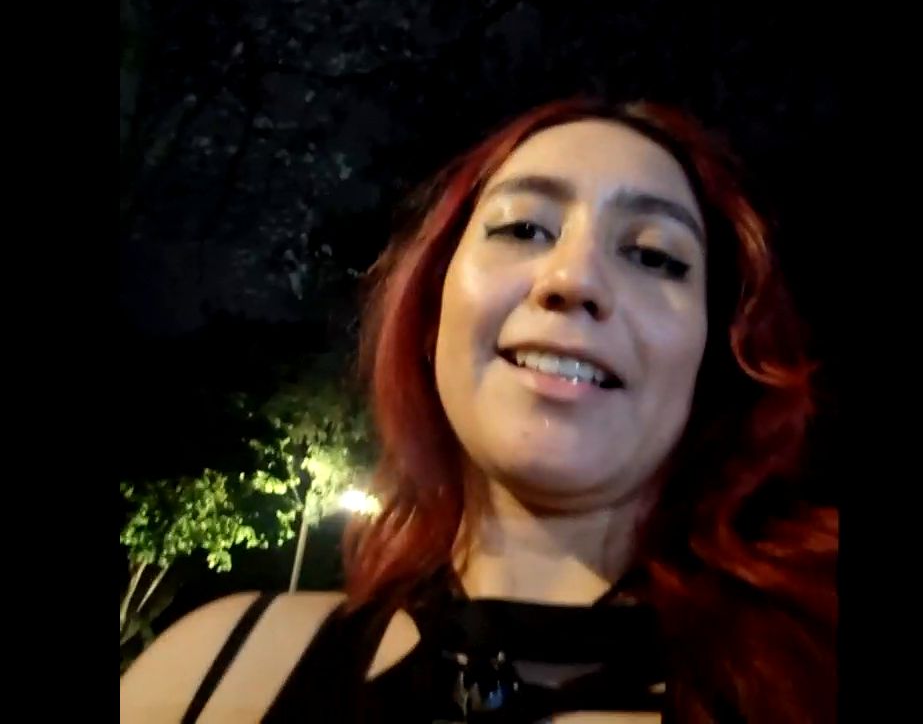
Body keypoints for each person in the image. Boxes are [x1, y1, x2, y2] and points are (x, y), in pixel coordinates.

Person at [120, 96, 837, 723]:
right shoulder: (212, 679)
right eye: (523, 228)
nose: (573, 278)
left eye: (654, 256)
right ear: (433, 317)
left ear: (714, 359)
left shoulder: (809, 683)